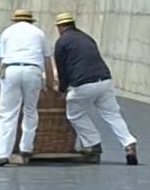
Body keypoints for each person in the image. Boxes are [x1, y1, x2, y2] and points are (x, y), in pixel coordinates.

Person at [53, 11, 138, 165]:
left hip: (84, 83)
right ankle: (129, 143)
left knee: (74, 113)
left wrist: (61, 89)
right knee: (112, 115)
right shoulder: (86, 37)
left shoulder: (62, 42)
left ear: (59, 27)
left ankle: (93, 143)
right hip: (104, 79)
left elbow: (62, 70)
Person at [0, 8, 54, 167]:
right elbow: (47, 59)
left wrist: (1, 85)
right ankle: (26, 148)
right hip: (33, 70)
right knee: (30, 110)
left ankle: (2, 154)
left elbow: (3, 59)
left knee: (8, 113)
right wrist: (49, 82)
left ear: (15, 20)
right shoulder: (39, 33)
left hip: (11, 69)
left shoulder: (7, 32)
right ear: (30, 20)